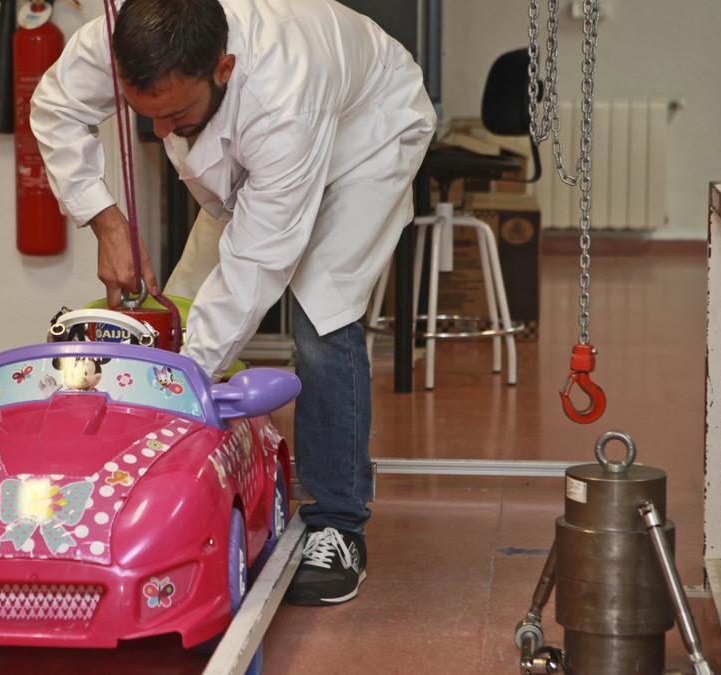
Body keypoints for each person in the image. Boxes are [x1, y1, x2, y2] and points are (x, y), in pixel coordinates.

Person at [31, 0, 435, 606]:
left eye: (175, 114)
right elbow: (57, 106)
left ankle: (338, 522)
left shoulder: (284, 96)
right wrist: (106, 221)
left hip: (366, 130)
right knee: (183, 303)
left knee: (321, 311)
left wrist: (178, 389)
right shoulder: (119, 39)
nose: (161, 134)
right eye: (148, 118)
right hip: (269, 144)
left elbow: (256, 263)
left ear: (222, 68)